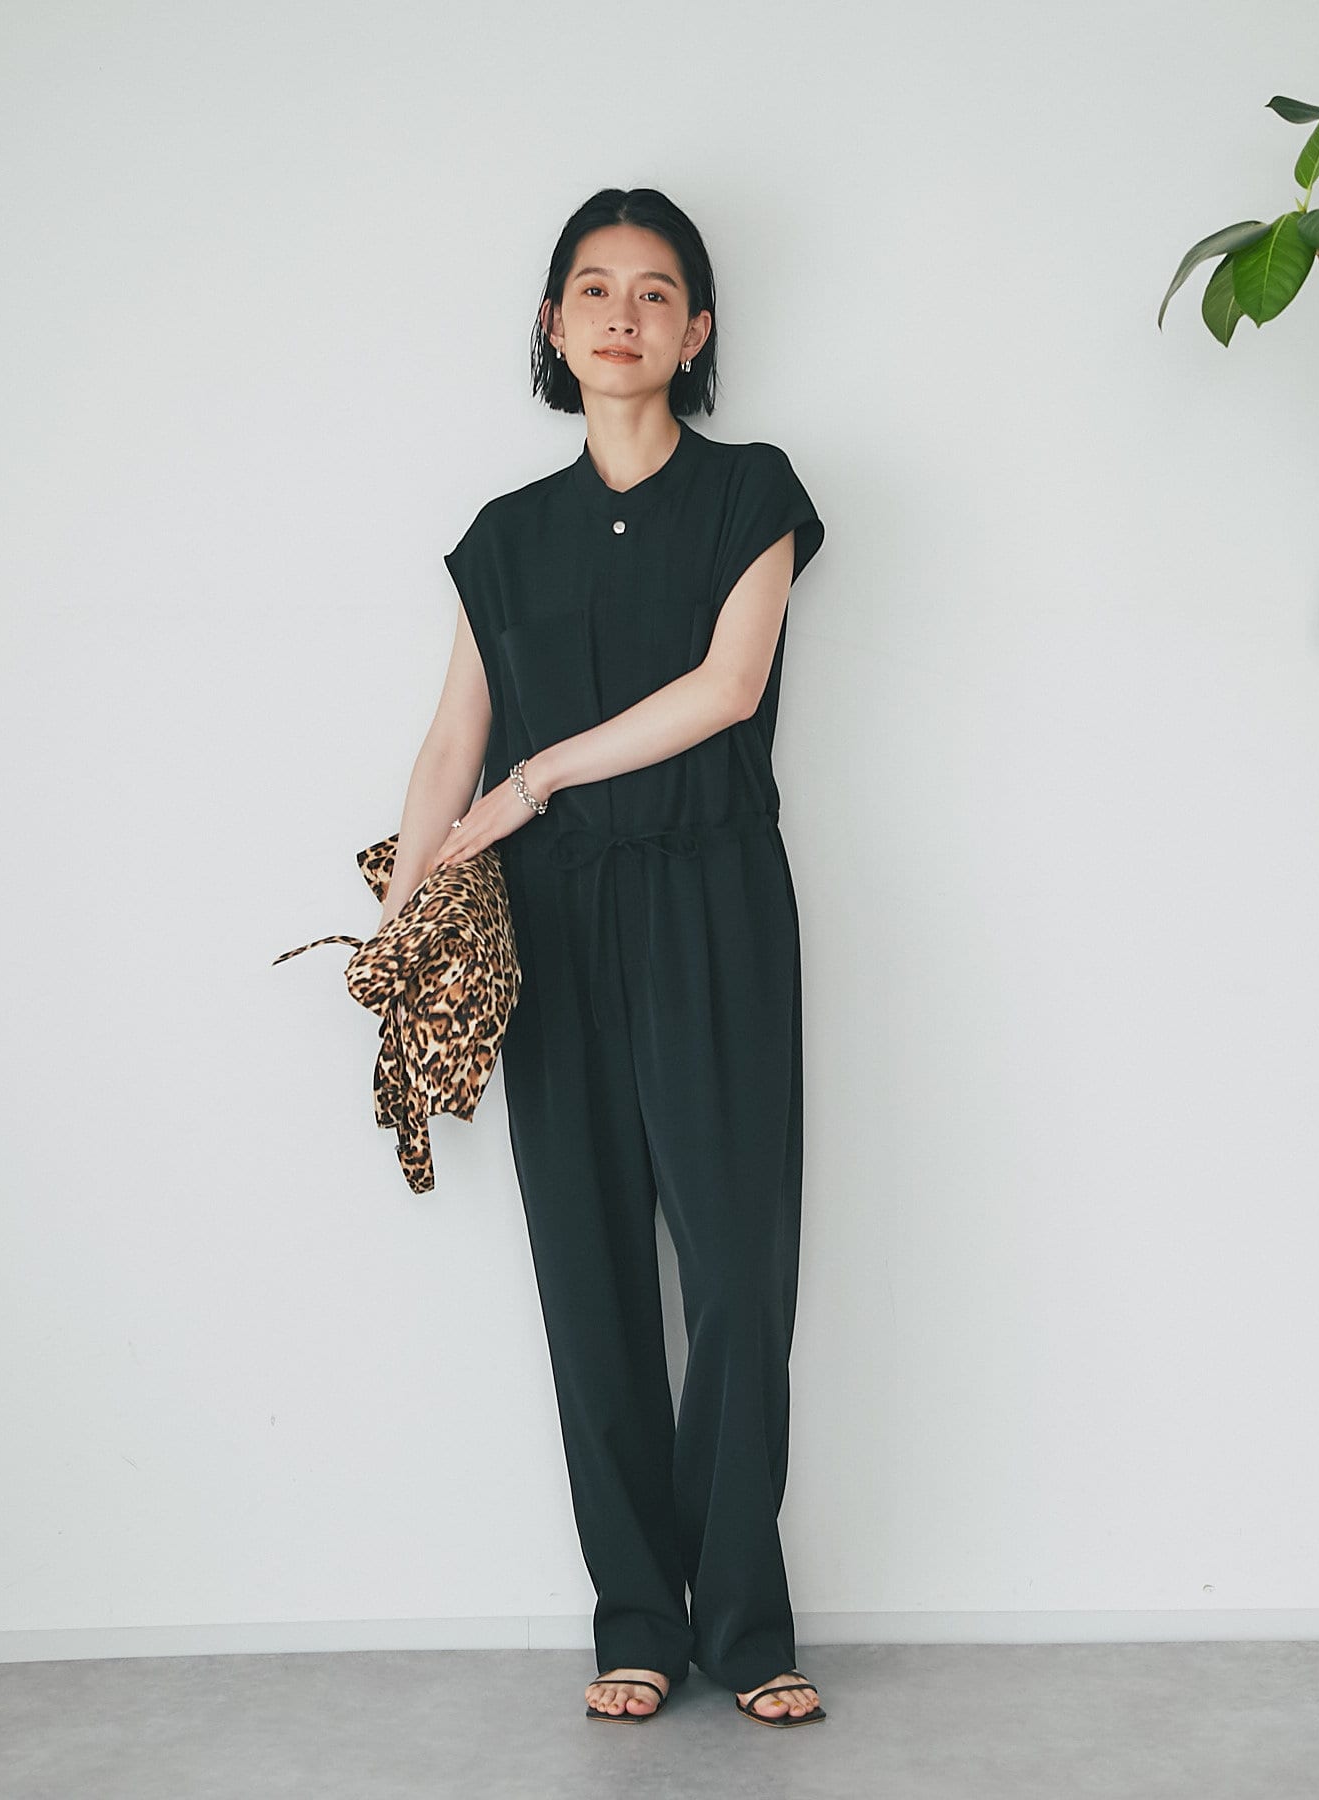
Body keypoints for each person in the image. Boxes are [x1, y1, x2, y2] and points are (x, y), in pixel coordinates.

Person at [375, 187, 827, 1728]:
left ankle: (746, 1624)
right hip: (551, 926)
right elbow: (451, 739)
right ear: (553, 328)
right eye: (592, 288)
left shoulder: (752, 492)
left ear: (696, 333)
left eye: (654, 291)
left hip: (713, 899)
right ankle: (635, 1618)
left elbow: (728, 687)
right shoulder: (505, 540)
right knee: (589, 1279)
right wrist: (399, 920)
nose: (621, 314)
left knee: (741, 1274)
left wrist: (534, 784)